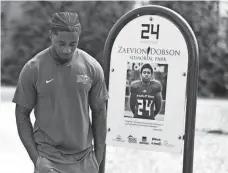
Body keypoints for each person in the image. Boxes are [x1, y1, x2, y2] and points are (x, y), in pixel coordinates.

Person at [12, 12, 108, 173]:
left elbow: (99, 112)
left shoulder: (92, 67)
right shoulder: (33, 68)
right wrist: (36, 159)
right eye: (61, 43)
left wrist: (97, 158)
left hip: (84, 160)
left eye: (73, 44)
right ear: (51, 35)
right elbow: (21, 114)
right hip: (48, 159)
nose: (67, 50)